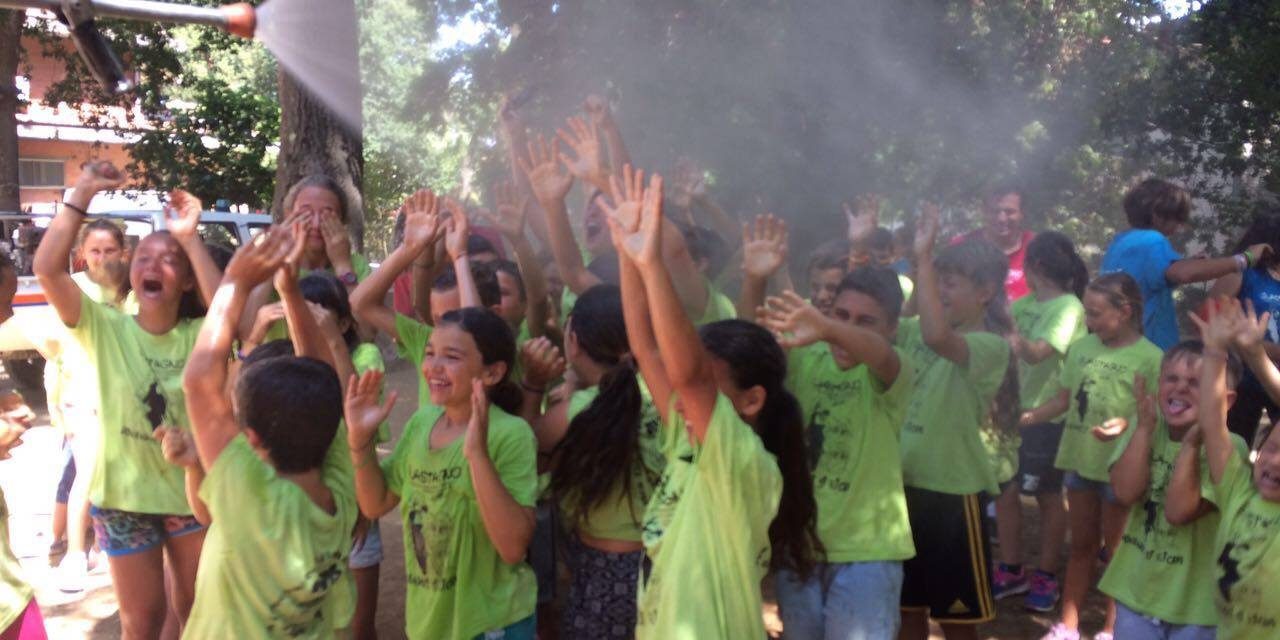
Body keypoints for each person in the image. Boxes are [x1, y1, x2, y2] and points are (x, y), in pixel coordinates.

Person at [606, 167, 819, 640]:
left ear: (751, 400)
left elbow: (690, 377)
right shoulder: (685, 443)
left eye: (702, 390)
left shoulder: (740, 460)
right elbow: (644, 346)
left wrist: (652, 266)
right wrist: (627, 253)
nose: (681, 400)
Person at [33, 161, 220, 639]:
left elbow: (227, 310)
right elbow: (47, 268)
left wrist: (190, 237)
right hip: (122, 499)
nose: (152, 265)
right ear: (130, 274)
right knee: (142, 620)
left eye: (168, 259)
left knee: (195, 608)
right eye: (143, 258)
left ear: (184, 282)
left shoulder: (199, 334)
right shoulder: (104, 325)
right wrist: (82, 193)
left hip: (190, 492)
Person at [178, 225, 359, 637]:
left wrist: (235, 280)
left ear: (252, 439)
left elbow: (197, 384)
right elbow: (315, 376)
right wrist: (290, 292)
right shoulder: (338, 491)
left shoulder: (251, 496)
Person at [347, 307, 538, 639]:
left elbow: (512, 548)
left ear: (492, 373)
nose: (433, 367)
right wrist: (360, 442)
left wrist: (477, 454)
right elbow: (375, 504)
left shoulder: (511, 434)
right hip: (428, 621)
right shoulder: (423, 422)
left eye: (451, 357)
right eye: (430, 353)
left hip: (492, 625)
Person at [758, 270, 914, 640]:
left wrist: (828, 327)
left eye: (866, 321)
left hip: (868, 553)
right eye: (841, 315)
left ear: (893, 328)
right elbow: (751, 355)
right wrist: (754, 277)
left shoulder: (894, 369)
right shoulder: (806, 360)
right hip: (800, 546)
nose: (847, 329)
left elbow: (879, 354)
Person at [896, 204, 1018, 640]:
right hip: (903, 487)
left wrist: (925, 260)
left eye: (950, 284)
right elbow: (905, 324)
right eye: (938, 282)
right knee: (905, 611)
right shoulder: (915, 330)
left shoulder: (990, 346)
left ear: (985, 291)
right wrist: (918, 263)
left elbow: (936, 337)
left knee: (956, 619)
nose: (940, 291)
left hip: (951, 496)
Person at [1021, 273, 1164, 640]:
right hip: (1080, 463)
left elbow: (1155, 414)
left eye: (1097, 313)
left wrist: (1126, 424)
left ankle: (1111, 630)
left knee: (1118, 553)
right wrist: (1028, 416)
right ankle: (1067, 627)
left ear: (1125, 311)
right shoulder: (1083, 348)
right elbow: (1064, 399)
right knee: (1082, 546)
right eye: (1088, 312)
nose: (1090, 321)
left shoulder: (1151, 357)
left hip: (1120, 471)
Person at [1095, 340, 1246, 640]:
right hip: (1136, 591)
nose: (1179, 388)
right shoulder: (1147, 427)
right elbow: (1125, 492)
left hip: (1196, 609)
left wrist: (1191, 445)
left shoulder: (1230, 449)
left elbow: (1178, 512)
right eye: (1171, 378)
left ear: (1225, 401)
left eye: (1195, 382)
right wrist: (1143, 430)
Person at [537, 284, 664, 639]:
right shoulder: (664, 397)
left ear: (573, 341)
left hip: (604, 570)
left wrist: (536, 386)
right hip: (669, 563)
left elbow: (524, 455)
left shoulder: (574, 411)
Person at [31, 218, 137, 593]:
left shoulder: (132, 289)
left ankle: (106, 549)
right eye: (95, 250)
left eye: (111, 250)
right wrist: (60, 403)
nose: (103, 257)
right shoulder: (73, 288)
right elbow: (52, 347)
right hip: (83, 398)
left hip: (126, 400)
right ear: (81, 255)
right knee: (85, 475)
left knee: (120, 475)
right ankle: (76, 553)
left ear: (124, 252)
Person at [994, 231, 1088, 611]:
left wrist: (1007, 327)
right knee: (1005, 490)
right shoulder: (1026, 302)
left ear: (1037, 267)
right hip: (1012, 414)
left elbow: (1035, 354)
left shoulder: (1068, 307)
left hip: (1048, 417)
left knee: (1048, 496)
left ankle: (1046, 575)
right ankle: (1011, 568)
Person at [1182, 298, 1280, 638]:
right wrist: (1214, 352)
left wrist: (1256, 356)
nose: (1276, 461)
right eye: (1271, 449)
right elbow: (1212, 422)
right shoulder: (1238, 489)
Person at [349, 190, 492, 408]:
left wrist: (459, 256)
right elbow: (360, 303)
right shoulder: (428, 339)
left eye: (445, 216)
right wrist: (410, 248)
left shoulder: (492, 344)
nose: (438, 224)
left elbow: (477, 333)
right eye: (440, 320)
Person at [1100, 178, 1271, 350]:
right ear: (1158, 216)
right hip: (1146, 349)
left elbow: (1152, 279)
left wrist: (1189, 264)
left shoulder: (1120, 242)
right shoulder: (1153, 240)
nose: (1180, 226)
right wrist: (1244, 259)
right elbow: (1184, 273)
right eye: (1178, 218)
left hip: (1117, 344)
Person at [1206, 211, 1280, 443]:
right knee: (1231, 446)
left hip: (1276, 379)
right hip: (1241, 379)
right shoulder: (1245, 274)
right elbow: (1211, 319)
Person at [949, 182, 1035, 301]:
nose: (1001, 219)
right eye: (994, 211)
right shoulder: (961, 246)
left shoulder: (1038, 247)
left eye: (1009, 212)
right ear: (983, 211)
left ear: (1022, 213)